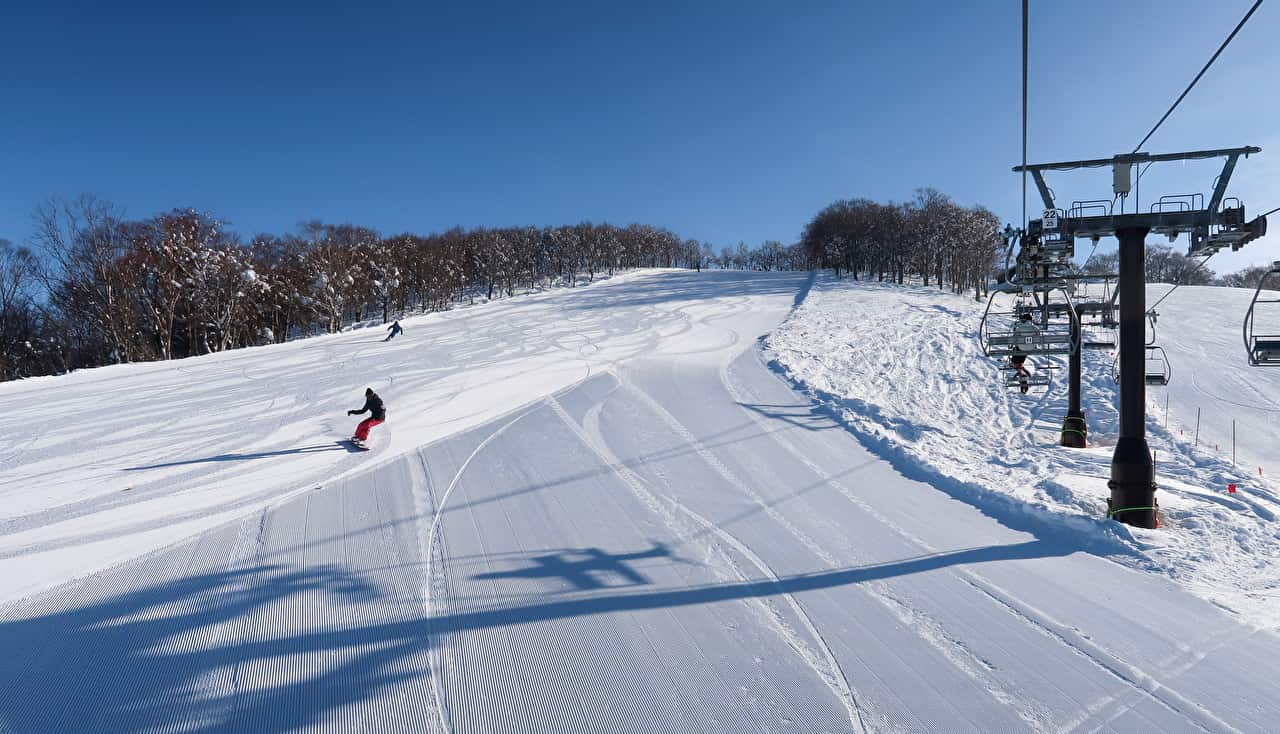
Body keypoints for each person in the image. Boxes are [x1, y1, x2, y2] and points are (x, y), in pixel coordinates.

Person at [1009, 313, 1039, 394]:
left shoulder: (1020, 328)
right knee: (1019, 359)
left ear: (1025, 320)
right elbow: (1038, 337)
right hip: (1030, 348)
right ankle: (1021, 369)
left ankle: (1022, 375)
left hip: (1021, 348)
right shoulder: (1035, 328)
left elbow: (1014, 338)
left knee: (1015, 361)